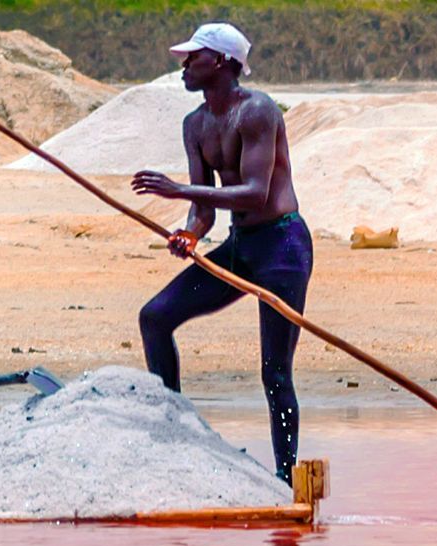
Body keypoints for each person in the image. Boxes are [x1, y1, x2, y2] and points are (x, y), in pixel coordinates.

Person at [129, 23, 312, 484]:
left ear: (225, 63)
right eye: (186, 58)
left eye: (195, 57)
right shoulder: (194, 124)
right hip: (241, 247)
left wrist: (173, 189)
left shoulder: (258, 111)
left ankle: (284, 479)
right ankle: (173, 431)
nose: (184, 65)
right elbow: (204, 208)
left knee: (274, 372)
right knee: (155, 317)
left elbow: (255, 192)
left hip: (283, 246)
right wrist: (190, 234)